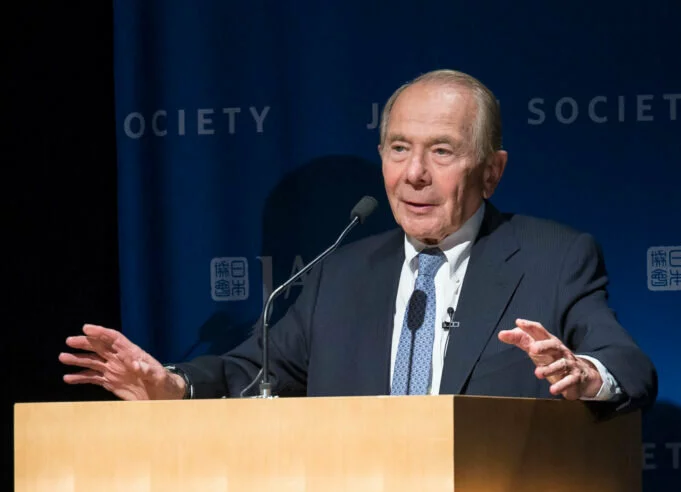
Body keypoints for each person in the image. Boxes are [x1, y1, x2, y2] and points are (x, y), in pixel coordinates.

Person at [60, 70, 656, 413]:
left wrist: (585, 374)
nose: (414, 174)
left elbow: (629, 366)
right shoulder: (340, 273)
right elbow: (254, 369)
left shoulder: (554, 258)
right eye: (399, 149)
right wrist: (175, 384)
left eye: (441, 151)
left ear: (492, 170)